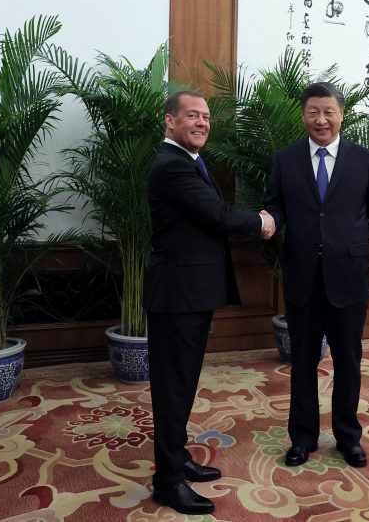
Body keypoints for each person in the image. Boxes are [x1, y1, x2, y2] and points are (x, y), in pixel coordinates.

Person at [143, 90, 275, 515]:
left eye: (205, 117)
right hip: (177, 295)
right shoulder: (172, 167)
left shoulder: (188, 162)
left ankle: (177, 458)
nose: (201, 122)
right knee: (173, 388)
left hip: (190, 294)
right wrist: (260, 222)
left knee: (183, 383)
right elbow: (217, 214)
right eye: (191, 116)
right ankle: (166, 481)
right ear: (170, 121)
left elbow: (212, 212)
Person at [264, 82, 369, 469]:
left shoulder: (364, 159)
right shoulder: (285, 159)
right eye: (313, 112)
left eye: (328, 112)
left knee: (348, 361)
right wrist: (269, 219)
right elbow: (276, 205)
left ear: (341, 115)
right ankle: (302, 438)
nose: (321, 119)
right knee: (302, 362)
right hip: (303, 275)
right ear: (303, 115)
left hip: (350, 276)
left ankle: (348, 438)